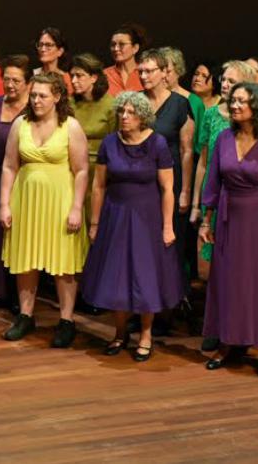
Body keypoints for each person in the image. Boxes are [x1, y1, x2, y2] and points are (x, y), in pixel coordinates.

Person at [199, 83, 258, 377]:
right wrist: (206, 220)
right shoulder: (224, 139)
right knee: (228, 282)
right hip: (229, 220)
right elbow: (213, 182)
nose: (235, 105)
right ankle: (228, 341)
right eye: (233, 101)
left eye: (242, 101)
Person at [81, 92, 183, 361]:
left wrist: (168, 226)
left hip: (147, 217)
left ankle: (146, 335)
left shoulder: (157, 143)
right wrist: (95, 222)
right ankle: (119, 332)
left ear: (143, 117)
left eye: (130, 113)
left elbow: (168, 189)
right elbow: (99, 185)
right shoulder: (110, 143)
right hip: (115, 215)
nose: (124, 117)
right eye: (121, 112)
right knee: (117, 275)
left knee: (145, 276)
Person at [0, 72, 90, 347]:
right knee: (25, 259)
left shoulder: (70, 127)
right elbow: (9, 166)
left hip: (60, 201)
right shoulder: (20, 124)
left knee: (63, 263)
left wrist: (76, 207)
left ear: (57, 97)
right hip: (26, 200)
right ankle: (26, 315)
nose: (36, 101)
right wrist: (4, 204)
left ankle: (66, 320)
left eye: (42, 96)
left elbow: (81, 170)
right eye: (33, 95)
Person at [190, 60, 255, 351]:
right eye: (224, 80)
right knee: (213, 268)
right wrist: (197, 202)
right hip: (215, 197)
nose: (225, 85)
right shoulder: (212, 115)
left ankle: (240, 328)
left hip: (243, 198)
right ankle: (216, 325)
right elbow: (203, 162)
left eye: (232, 81)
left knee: (240, 267)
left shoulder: (254, 120)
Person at [138, 49, 195, 317]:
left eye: (149, 71)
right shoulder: (136, 101)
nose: (144, 76)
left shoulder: (180, 104)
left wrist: (185, 191)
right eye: (141, 71)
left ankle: (168, 309)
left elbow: (186, 150)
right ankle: (144, 308)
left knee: (169, 246)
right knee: (144, 247)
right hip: (141, 184)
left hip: (170, 184)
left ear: (164, 73)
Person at [0, 55, 30, 310]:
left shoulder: (33, 109)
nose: (10, 85)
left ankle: (17, 295)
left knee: (16, 235)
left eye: (16, 81)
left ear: (28, 83)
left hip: (20, 180)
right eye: (7, 79)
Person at [69, 53, 116, 244]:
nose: (73, 81)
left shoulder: (110, 105)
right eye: (72, 75)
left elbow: (115, 143)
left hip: (98, 172)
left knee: (95, 226)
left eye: (79, 76)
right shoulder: (69, 104)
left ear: (94, 77)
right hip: (70, 170)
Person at [104, 23, 148, 96]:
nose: (116, 48)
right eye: (113, 44)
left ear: (135, 48)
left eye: (122, 44)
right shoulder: (104, 76)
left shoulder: (145, 74)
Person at [34, 27, 73, 92]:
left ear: (60, 51)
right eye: (40, 45)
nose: (43, 49)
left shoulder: (66, 79)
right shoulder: (32, 75)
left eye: (48, 45)